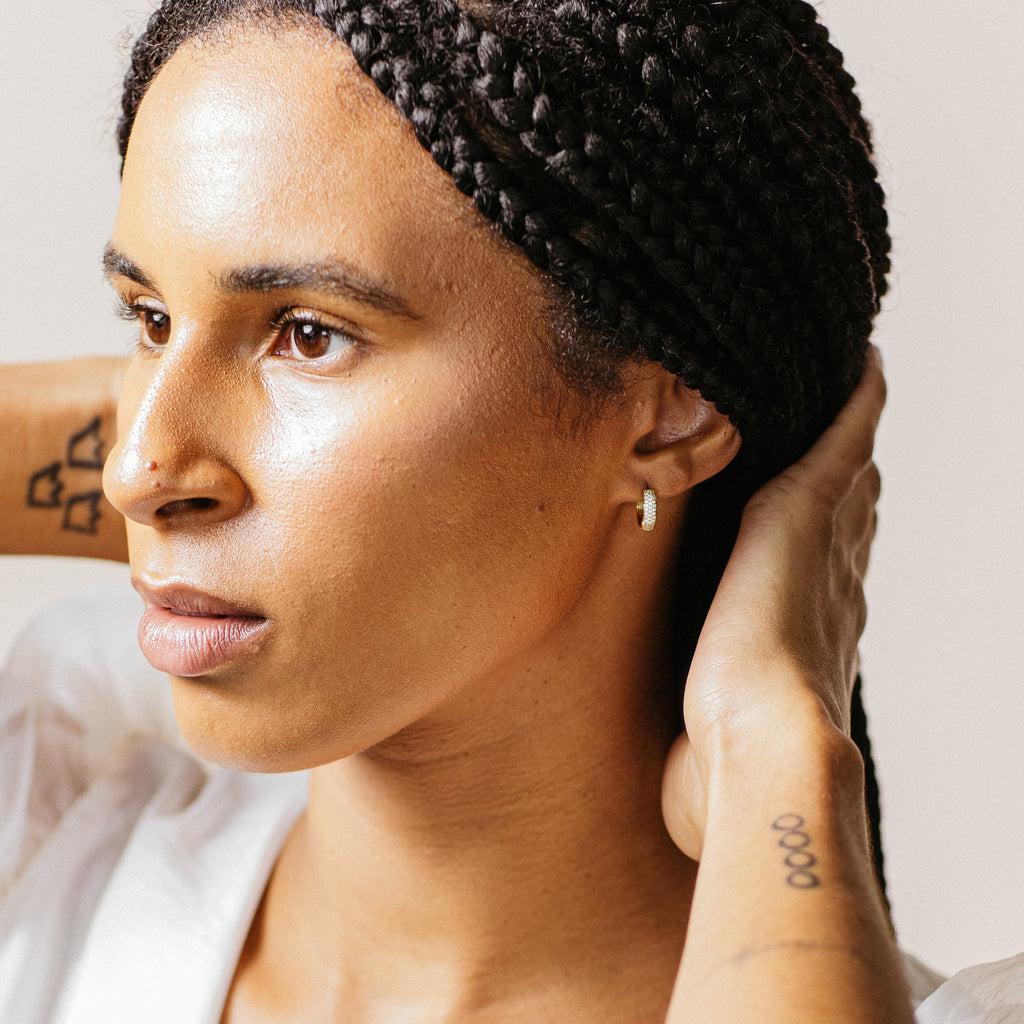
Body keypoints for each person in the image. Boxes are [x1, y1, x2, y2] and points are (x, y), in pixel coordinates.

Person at [1, 1, 1020, 1021]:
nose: (135, 469)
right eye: (150, 318)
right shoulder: (60, 816)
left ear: (670, 420)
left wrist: (776, 754)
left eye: (310, 334)